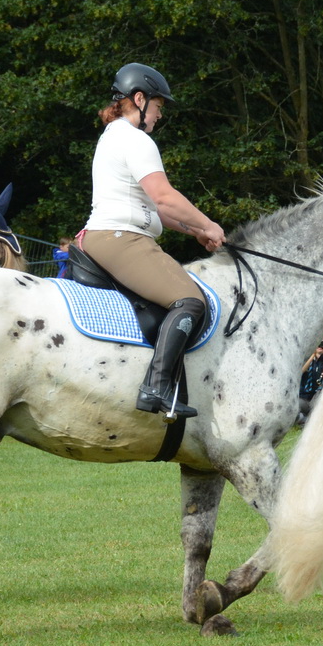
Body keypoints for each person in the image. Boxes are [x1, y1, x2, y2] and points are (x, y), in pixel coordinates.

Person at [80, 63, 224, 418]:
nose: (160, 115)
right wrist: (210, 223)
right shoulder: (135, 139)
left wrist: (196, 231)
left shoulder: (113, 137)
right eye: (159, 107)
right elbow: (164, 197)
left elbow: (154, 212)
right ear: (139, 99)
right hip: (121, 238)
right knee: (191, 301)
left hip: (112, 236)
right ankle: (157, 387)